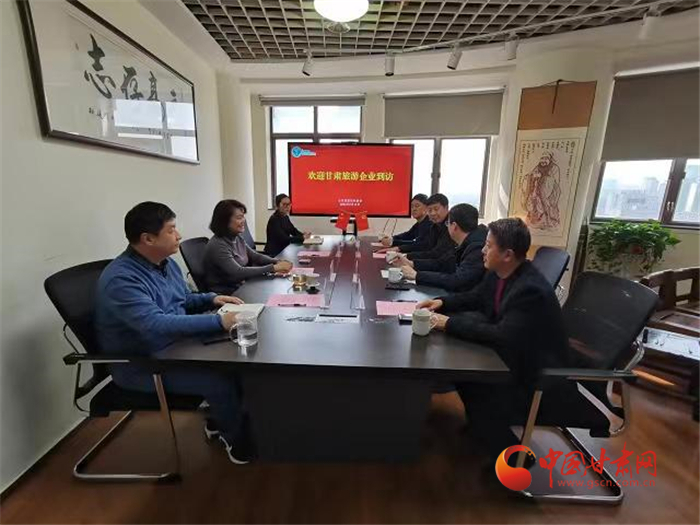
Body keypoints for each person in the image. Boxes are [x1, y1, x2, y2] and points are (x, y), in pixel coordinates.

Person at [95, 202, 252, 464]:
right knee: (220, 379)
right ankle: (235, 437)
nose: (178, 235)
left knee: (239, 361)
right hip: (144, 364)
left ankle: (222, 420)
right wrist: (219, 322)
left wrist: (212, 299)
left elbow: (182, 299)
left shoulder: (165, 263)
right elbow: (155, 324)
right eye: (171, 230)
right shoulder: (121, 280)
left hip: (175, 346)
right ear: (148, 239)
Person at [417, 218, 573, 463]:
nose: (482, 250)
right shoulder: (501, 273)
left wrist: (448, 323)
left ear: (507, 254)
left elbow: (501, 335)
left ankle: (514, 458)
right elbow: (476, 297)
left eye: (488, 246)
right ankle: (482, 430)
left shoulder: (529, 290)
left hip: (536, 376)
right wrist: (442, 302)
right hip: (512, 358)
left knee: (472, 378)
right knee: (464, 372)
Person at [204, 199, 292, 294]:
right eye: (239, 217)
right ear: (224, 221)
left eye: (243, 217)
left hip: (241, 285)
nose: (243, 221)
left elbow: (255, 256)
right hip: (226, 294)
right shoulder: (218, 245)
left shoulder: (237, 237)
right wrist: (273, 268)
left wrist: (277, 261)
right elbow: (237, 272)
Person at [393, 203, 487, 292]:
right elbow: (442, 263)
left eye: (448, 223)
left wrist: (417, 275)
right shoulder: (466, 242)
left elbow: (458, 281)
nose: (432, 213)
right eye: (430, 210)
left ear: (454, 226)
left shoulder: (477, 248)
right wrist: (412, 264)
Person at [396, 193, 454, 261]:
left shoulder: (451, 225)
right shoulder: (434, 226)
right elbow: (426, 246)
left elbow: (436, 253)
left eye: (436, 209)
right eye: (430, 210)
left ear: (446, 208)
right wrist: (393, 242)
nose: (432, 213)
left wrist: (405, 256)